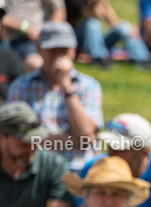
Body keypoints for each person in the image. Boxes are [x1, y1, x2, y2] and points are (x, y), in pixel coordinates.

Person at [7, 21, 102, 172]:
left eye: (63, 51)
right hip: (36, 172)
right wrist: (73, 140)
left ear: (73, 50)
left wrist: (67, 87)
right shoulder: (21, 86)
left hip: (78, 171)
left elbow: (84, 135)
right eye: (52, 50)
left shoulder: (88, 86)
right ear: (39, 49)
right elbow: (16, 139)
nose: (58, 58)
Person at [66, 0, 151, 67]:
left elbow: (114, 22)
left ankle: (143, 58)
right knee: (92, 23)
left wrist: (130, 30)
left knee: (125, 26)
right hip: (75, 40)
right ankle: (99, 59)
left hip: (96, 42)